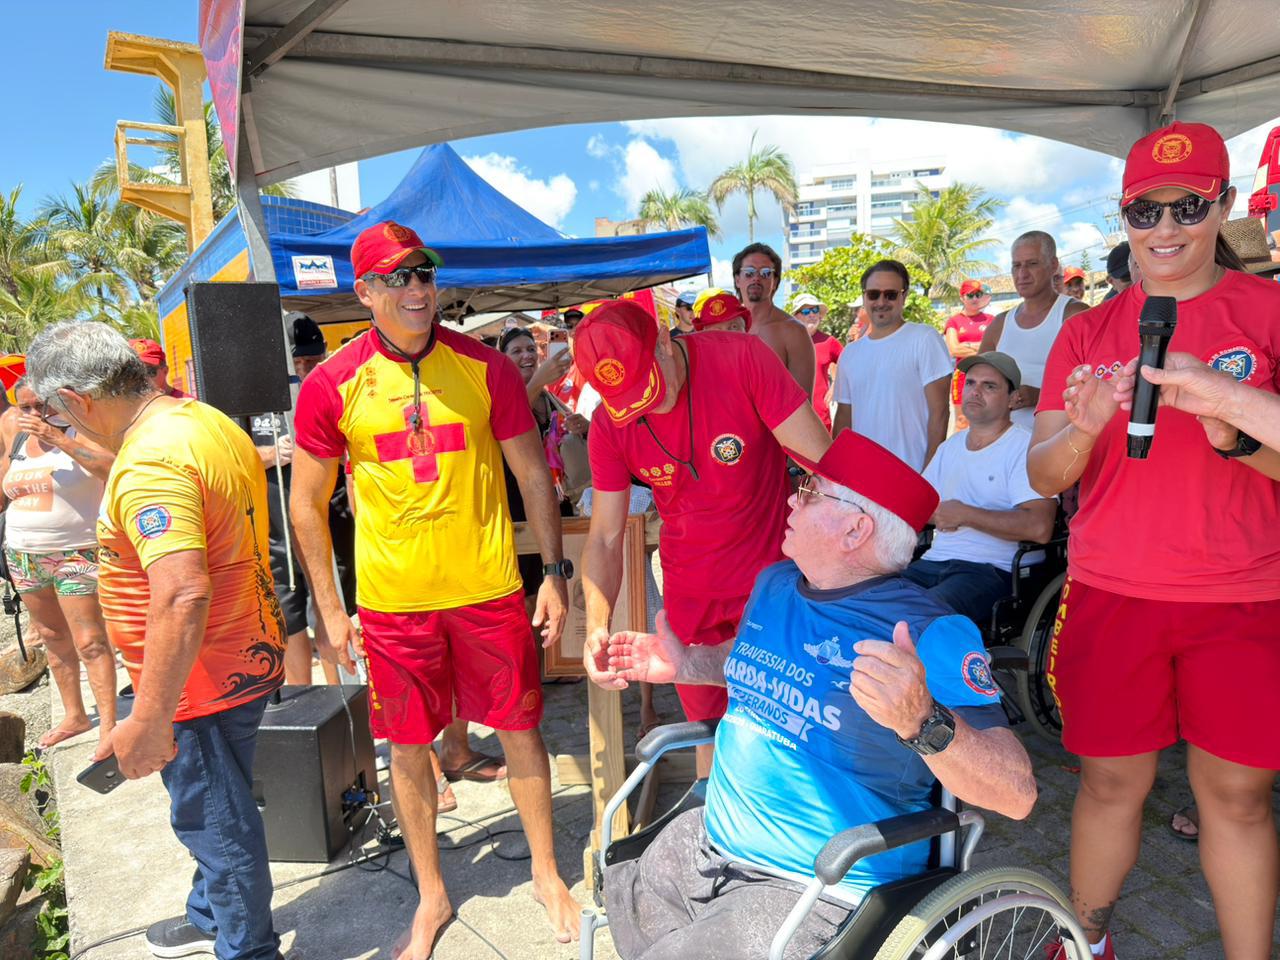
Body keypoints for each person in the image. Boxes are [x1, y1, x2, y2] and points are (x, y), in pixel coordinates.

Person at [590, 430, 1036, 960]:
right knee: (626, 895)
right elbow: (751, 660)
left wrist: (923, 722)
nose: (790, 500)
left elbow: (1017, 793)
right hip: (710, 838)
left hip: (815, 882)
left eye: (808, 491)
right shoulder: (777, 583)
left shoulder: (928, 630)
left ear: (856, 529)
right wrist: (686, 663)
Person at [290, 221, 580, 954]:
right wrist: (331, 609)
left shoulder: (487, 368)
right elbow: (306, 504)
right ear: (365, 292)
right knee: (408, 747)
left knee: (520, 729)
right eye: (398, 277)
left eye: (424, 273)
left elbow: (533, 475)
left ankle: (546, 871)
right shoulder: (331, 383)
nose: (418, 288)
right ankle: (431, 895)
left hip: (488, 592)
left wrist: (553, 574)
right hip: (394, 607)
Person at [1027, 121, 1280, 960]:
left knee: (1237, 799)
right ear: (1124, 217)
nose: (1165, 228)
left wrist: (1232, 427)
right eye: (1145, 210)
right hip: (1112, 591)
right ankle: (1085, 941)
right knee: (1109, 783)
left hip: (1243, 595)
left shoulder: (1268, 313)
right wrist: (1083, 428)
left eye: (1188, 206)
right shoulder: (1087, 329)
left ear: (1224, 206)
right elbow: (1045, 476)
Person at [27, 321, 288, 960]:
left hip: (196, 681)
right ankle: (210, 913)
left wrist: (148, 717)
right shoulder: (202, 418)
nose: (62, 424)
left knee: (215, 823)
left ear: (78, 399)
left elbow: (181, 593)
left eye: (58, 412)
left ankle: (247, 949)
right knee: (221, 804)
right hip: (242, 650)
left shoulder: (149, 461)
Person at [576, 299, 830, 775]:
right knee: (708, 735)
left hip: (771, 587)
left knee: (788, 734)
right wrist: (596, 626)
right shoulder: (610, 425)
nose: (649, 407)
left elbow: (825, 465)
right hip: (691, 600)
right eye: (630, 403)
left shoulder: (742, 358)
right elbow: (606, 537)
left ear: (665, 341)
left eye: (649, 388)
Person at [0, 380, 116, 755]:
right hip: (24, 554)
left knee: (90, 641)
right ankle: (75, 716)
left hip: (75, 554)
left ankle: (109, 725)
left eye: (41, 405)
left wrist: (57, 437)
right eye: (26, 408)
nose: (35, 414)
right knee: (52, 636)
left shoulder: (84, 430)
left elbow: (110, 468)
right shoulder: (18, 439)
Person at [901, 352, 1056, 626]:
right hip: (934, 561)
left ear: (1013, 399)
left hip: (990, 570)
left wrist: (965, 515)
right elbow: (917, 507)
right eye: (970, 383)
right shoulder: (950, 447)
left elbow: (1039, 527)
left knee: (917, 614)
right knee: (870, 599)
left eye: (989, 386)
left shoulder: (1026, 447)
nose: (975, 391)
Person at [249, 313, 357, 687]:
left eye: (315, 359)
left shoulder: (334, 388)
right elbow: (229, 455)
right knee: (289, 618)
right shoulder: (255, 397)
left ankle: (344, 697)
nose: (308, 368)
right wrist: (269, 455)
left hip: (330, 522)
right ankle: (304, 699)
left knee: (334, 610)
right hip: (278, 528)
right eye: (300, 362)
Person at [832, 259, 951, 470]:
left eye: (890, 294)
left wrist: (930, 472)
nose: (881, 301)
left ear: (903, 296)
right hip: (862, 475)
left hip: (912, 472)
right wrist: (836, 471)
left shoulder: (924, 339)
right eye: (873, 294)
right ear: (864, 296)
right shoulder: (850, 353)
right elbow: (843, 419)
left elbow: (940, 412)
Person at [978, 232, 1090, 430]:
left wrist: (1039, 396)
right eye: (1016, 265)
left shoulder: (1074, 315)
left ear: (1053, 265)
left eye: (1032, 264)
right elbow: (978, 383)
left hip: (1059, 440)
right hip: (1005, 442)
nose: (1022, 274)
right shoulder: (1000, 324)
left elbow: (1099, 383)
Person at [732, 243, 816, 399]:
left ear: (775, 282)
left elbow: (803, 401)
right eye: (749, 272)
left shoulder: (793, 332)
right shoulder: (725, 329)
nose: (756, 278)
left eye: (765, 273)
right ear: (737, 279)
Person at [943, 280, 995, 428]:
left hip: (988, 376)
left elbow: (995, 348)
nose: (975, 299)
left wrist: (967, 345)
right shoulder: (954, 321)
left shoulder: (991, 320)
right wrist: (981, 346)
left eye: (978, 294)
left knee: (988, 421)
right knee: (962, 422)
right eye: (970, 295)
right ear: (962, 298)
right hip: (963, 376)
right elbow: (954, 350)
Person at [792, 293, 842, 432]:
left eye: (815, 310)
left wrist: (836, 385)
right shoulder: (787, 341)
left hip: (821, 418)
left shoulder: (829, 342)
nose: (812, 315)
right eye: (806, 311)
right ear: (796, 316)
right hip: (792, 419)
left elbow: (850, 363)